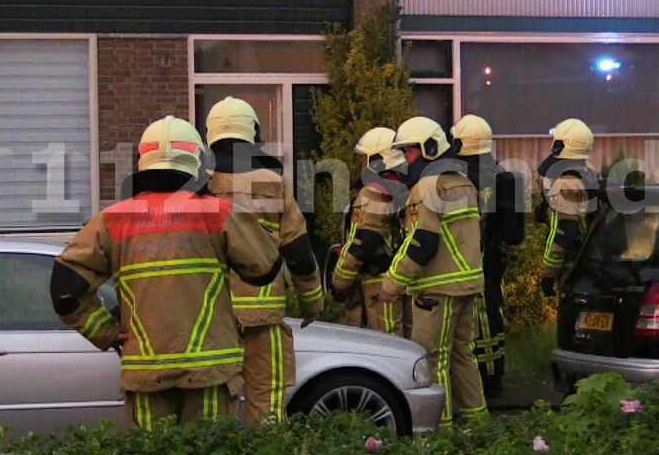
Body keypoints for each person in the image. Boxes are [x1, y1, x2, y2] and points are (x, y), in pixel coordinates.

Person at [50, 115, 281, 430]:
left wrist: (104, 331)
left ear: (143, 161)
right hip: (209, 372)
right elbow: (265, 269)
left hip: (146, 373)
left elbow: (64, 290)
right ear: (197, 162)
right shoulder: (217, 213)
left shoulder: (112, 220)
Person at [203, 97, 324, 425]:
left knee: (213, 406)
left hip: (211, 320)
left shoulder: (198, 187)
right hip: (263, 315)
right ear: (253, 133)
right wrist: (312, 302)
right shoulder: (272, 185)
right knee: (266, 405)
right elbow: (298, 250)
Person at [377, 117, 487, 427]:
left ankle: (441, 431)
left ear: (428, 148)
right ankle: (479, 426)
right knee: (464, 355)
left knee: (433, 360)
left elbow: (422, 242)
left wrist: (392, 283)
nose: (406, 159)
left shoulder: (426, 185)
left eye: (409, 151)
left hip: (437, 291)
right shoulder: (463, 180)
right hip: (469, 284)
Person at [450, 114, 525, 398]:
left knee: (478, 323)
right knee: (493, 315)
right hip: (495, 260)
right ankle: (494, 375)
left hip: (471, 259)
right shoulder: (500, 173)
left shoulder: (461, 176)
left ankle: (485, 381)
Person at [332, 127, 409, 335]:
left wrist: (339, 282)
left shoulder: (373, 192)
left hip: (376, 288)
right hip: (396, 284)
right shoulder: (402, 188)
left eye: (364, 157)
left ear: (376, 158)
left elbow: (363, 243)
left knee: (381, 350)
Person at [538, 118, 599, 298]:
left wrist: (548, 274)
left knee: (568, 317)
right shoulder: (588, 173)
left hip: (572, 264)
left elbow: (563, 232)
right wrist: (546, 207)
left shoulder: (565, 183)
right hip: (589, 259)